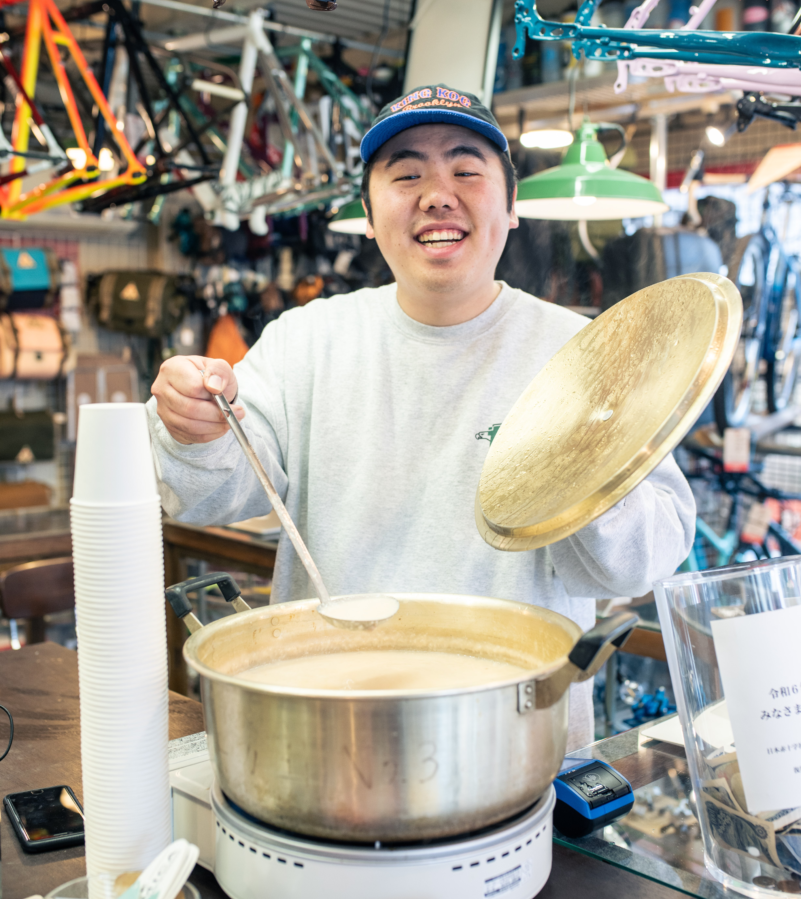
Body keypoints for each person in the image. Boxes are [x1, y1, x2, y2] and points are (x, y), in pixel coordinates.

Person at [149, 84, 694, 749]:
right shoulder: (307, 340)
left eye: (466, 169)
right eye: (405, 174)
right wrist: (191, 425)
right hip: (327, 728)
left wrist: (586, 475)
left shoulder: (583, 351)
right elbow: (204, 495)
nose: (437, 192)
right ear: (370, 218)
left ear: (511, 207)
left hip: (518, 736)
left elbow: (646, 559)